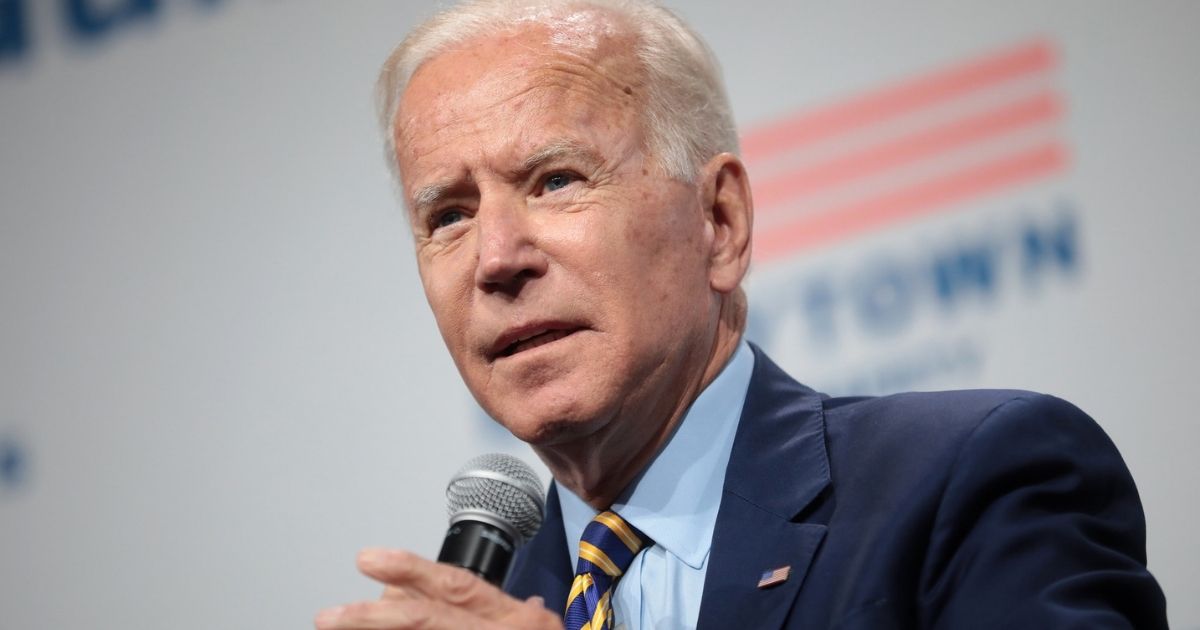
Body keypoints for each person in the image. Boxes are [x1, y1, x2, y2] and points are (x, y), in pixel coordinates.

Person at [315, 1, 1168, 628]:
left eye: (556, 181)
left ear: (719, 221)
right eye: (448, 216)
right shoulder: (493, 609)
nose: (497, 259)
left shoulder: (972, 482)